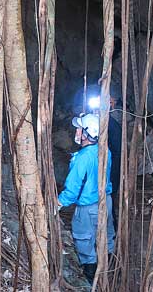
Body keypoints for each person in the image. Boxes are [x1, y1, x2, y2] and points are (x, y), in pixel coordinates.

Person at [57, 113, 115, 283]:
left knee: (84, 240)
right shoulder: (105, 151)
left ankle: (91, 279)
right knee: (107, 235)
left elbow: (73, 188)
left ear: (87, 133)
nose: (76, 131)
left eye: (79, 128)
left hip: (88, 208)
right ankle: (110, 271)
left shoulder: (82, 158)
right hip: (106, 201)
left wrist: (59, 203)